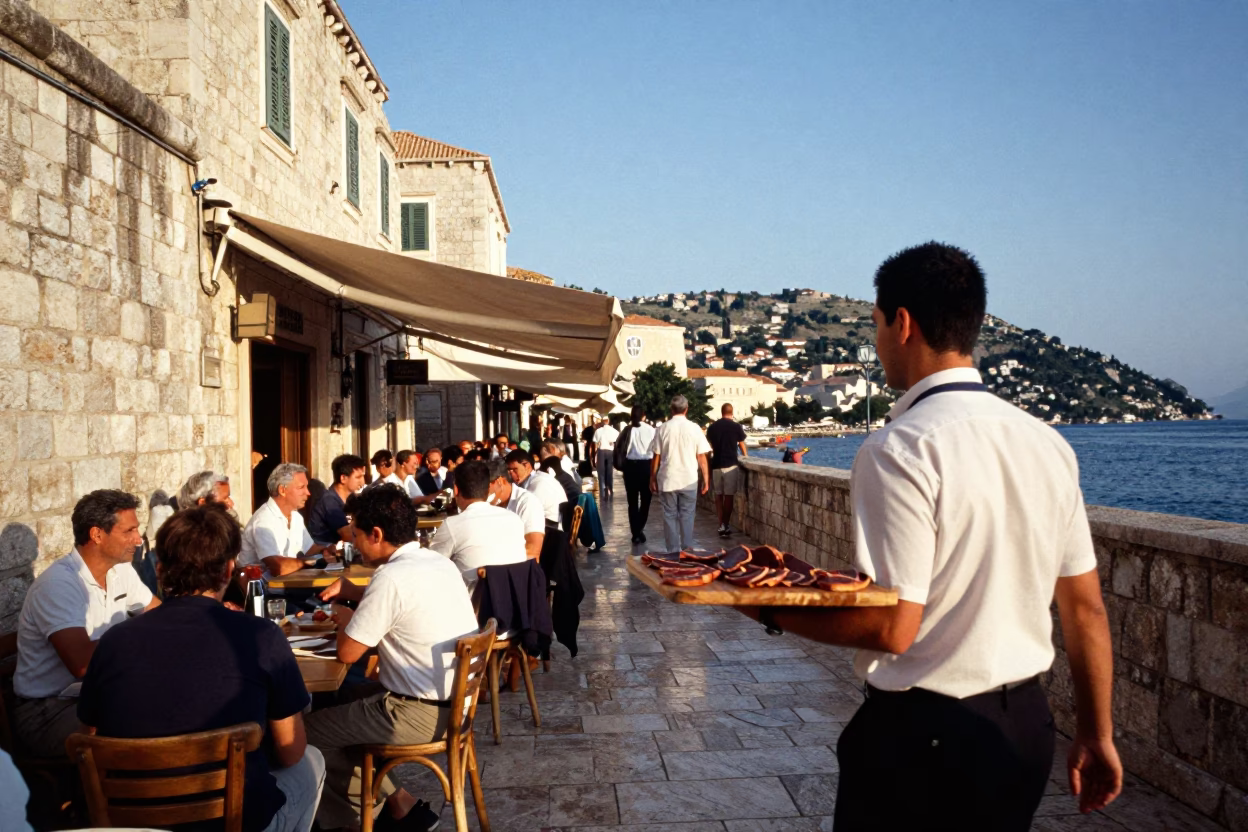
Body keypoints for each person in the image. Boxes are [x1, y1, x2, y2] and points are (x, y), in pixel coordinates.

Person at [739, 243, 1121, 830]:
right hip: (1024, 727)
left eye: (874, 325)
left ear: (903, 323)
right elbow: (1087, 609)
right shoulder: (1047, 443)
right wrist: (1097, 733)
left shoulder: (899, 448)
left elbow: (894, 627)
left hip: (925, 739)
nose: (876, 342)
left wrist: (766, 608)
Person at [78, 505, 325, 832]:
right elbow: (290, 751)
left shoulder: (113, 641)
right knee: (312, 760)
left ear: (162, 570)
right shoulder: (262, 636)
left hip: (131, 818)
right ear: (228, 569)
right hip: (231, 819)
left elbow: (90, 737)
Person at [305, 486, 479, 832]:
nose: (353, 542)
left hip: (415, 713)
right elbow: (403, 603)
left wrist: (342, 614)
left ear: (377, 534)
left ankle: (355, 821)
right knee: (337, 702)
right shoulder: (435, 561)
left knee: (301, 736)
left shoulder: (391, 577)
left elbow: (347, 652)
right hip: (455, 707)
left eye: (356, 534)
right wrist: (356, 593)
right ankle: (401, 806)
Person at [13, 490, 159, 757]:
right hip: (50, 710)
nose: (138, 540)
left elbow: (159, 617)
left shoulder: (121, 569)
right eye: (129, 531)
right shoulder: (58, 585)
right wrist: (137, 635)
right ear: (97, 535)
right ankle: (109, 798)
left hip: (102, 694)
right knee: (134, 730)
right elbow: (82, 664)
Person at [429, 461, 528, 588]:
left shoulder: (453, 525)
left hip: (473, 604)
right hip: (515, 599)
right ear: (488, 489)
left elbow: (433, 565)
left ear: (456, 489)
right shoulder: (514, 519)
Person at [240, 463, 333, 578]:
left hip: (290, 585)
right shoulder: (263, 521)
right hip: (266, 592)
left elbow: (310, 549)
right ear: (282, 490)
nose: (308, 493)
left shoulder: (295, 516)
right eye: (301, 487)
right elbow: (278, 568)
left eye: (307, 487)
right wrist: (308, 562)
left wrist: (328, 550)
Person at [649, 395, 711, 552]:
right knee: (687, 515)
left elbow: (656, 456)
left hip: (668, 479)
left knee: (669, 515)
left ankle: (672, 551)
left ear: (671, 410)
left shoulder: (662, 428)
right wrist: (706, 479)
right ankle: (687, 550)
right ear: (686, 409)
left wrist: (652, 478)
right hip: (688, 478)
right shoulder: (695, 428)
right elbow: (701, 457)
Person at [486, 458, 545, 559]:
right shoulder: (488, 504)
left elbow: (533, 550)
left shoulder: (527, 503)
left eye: (486, 487)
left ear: (500, 481)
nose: (483, 492)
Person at [705, 403, 748, 537]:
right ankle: (726, 524)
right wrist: (746, 457)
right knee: (729, 495)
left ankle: (720, 524)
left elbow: (709, 447)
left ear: (721, 412)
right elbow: (741, 443)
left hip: (716, 464)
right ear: (732, 412)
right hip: (731, 464)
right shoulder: (736, 427)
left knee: (718, 495)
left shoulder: (712, 428)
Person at [308, 454, 367, 545]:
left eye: (363, 476)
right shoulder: (329, 501)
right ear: (343, 478)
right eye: (358, 477)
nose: (363, 482)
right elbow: (348, 535)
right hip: (322, 554)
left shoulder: (352, 499)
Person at [621, 405, 657, 544]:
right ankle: (638, 530)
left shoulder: (627, 430)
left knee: (632, 502)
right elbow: (656, 450)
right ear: (644, 415)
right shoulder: (651, 430)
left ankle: (636, 532)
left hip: (630, 467)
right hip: (645, 466)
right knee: (646, 500)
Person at [505, 448, 567, 529]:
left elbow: (524, 513)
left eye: (514, 469)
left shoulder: (538, 483)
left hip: (552, 532)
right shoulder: (536, 479)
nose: (511, 474)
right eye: (509, 470)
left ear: (526, 465)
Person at [590, 418, 619, 499]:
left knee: (601, 472)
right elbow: (617, 442)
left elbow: (595, 443)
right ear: (608, 421)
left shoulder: (598, 431)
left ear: (602, 421)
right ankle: (610, 488)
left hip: (601, 451)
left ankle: (602, 490)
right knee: (609, 472)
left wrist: (593, 456)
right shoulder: (614, 431)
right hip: (610, 452)